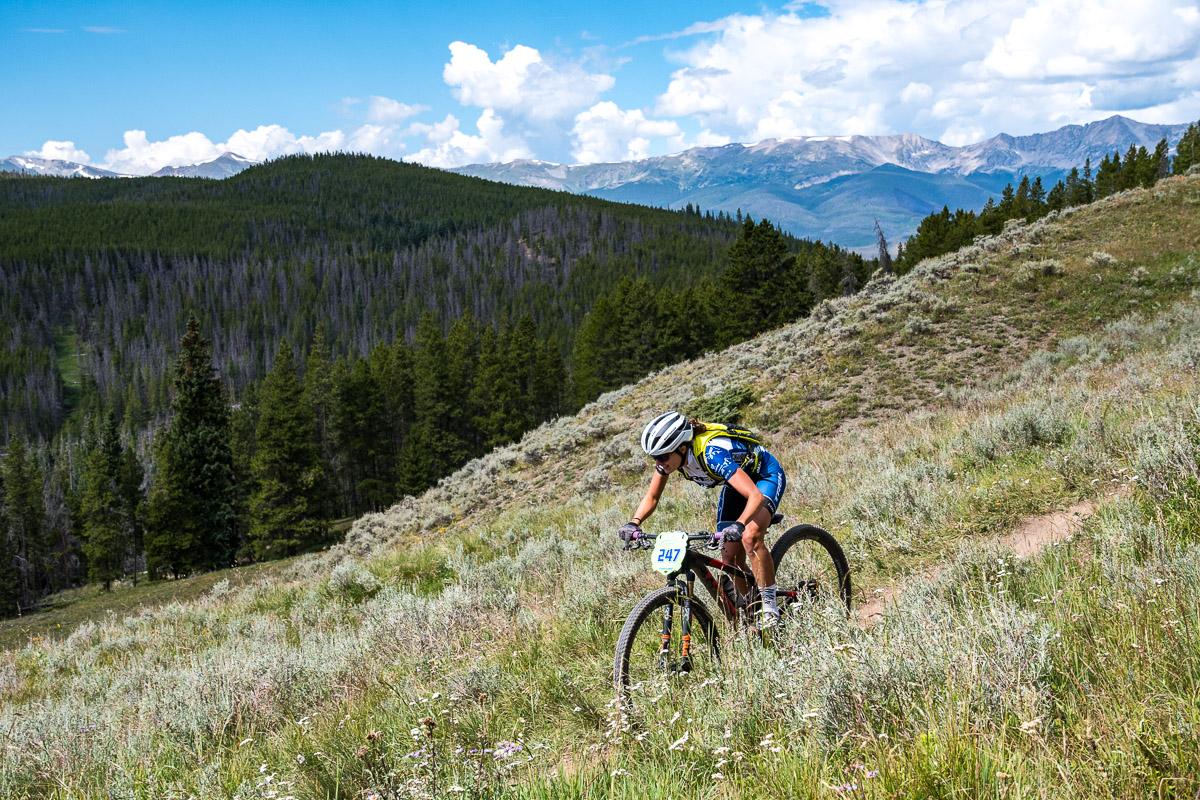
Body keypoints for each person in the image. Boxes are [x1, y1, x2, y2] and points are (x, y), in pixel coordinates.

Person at [619, 410, 787, 627]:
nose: (659, 463)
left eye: (662, 456)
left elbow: (754, 495)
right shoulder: (670, 461)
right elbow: (652, 497)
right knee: (730, 559)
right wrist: (634, 523)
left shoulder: (711, 453)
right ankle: (753, 607)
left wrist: (739, 524)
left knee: (749, 537)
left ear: (681, 447)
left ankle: (770, 608)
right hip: (736, 483)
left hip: (764, 476)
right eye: (654, 458)